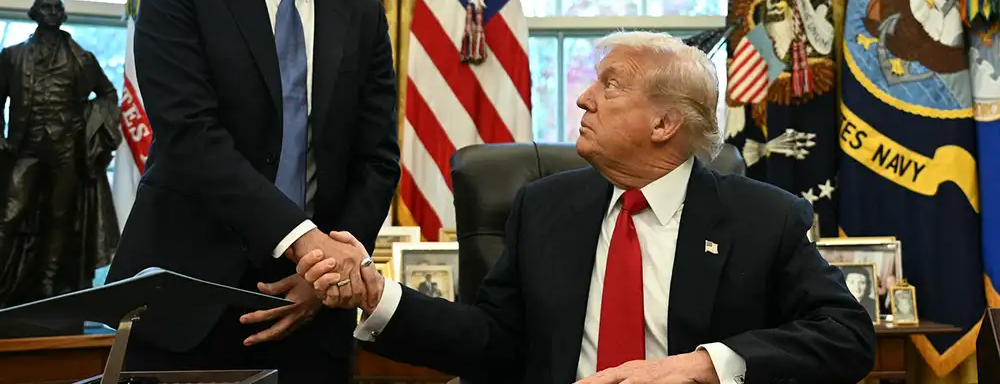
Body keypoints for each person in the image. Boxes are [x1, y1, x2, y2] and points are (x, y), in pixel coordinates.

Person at [299, 32, 878, 384]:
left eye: (611, 84)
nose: (583, 97)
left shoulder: (763, 218)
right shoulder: (546, 208)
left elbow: (846, 336)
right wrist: (379, 294)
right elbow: (491, 342)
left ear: (664, 122)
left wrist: (702, 365)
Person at [106, 0, 398, 384]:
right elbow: (192, 137)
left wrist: (332, 267)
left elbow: (377, 158)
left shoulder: (361, 14)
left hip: (315, 312)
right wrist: (306, 243)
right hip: (184, 303)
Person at [0, 0, 121, 307]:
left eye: (57, 8)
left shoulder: (81, 59)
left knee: (60, 216)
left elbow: (108, 94)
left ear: (63, 15)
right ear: (35, 13)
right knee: (11, 212)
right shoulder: (13, 56)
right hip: (26, 147)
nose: (52, 12)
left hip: (66, 148)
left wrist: (89, 122)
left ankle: (47, 286)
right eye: (46, 7)